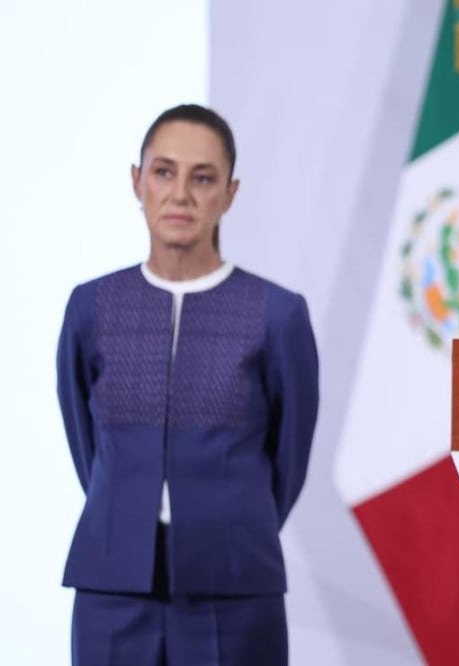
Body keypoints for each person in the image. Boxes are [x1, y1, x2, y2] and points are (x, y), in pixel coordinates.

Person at [56, 104, 319, 665]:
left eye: (203, 178)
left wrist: (234, 524)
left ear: (230, 193)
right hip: (110, 588)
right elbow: (87, 447)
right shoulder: (91, 307)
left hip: (237, 590)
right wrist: (123, 511)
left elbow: (288, 459)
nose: (180, 195)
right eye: (163, 172)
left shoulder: (278, 314)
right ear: (137, 181)